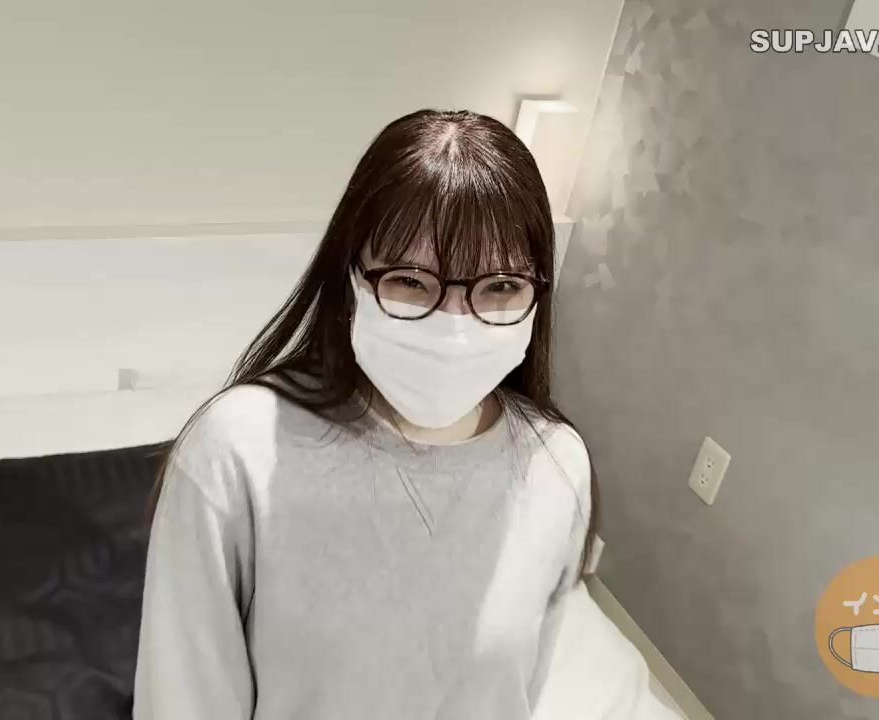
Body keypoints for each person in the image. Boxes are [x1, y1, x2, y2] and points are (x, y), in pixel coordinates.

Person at [134, 108, 601, 719]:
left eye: (500, 286)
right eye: (410, 280)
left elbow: (519, 695)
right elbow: (183, 700)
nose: (454, 325)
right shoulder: (234, 452)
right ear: (352, 277)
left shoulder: (557, 465)